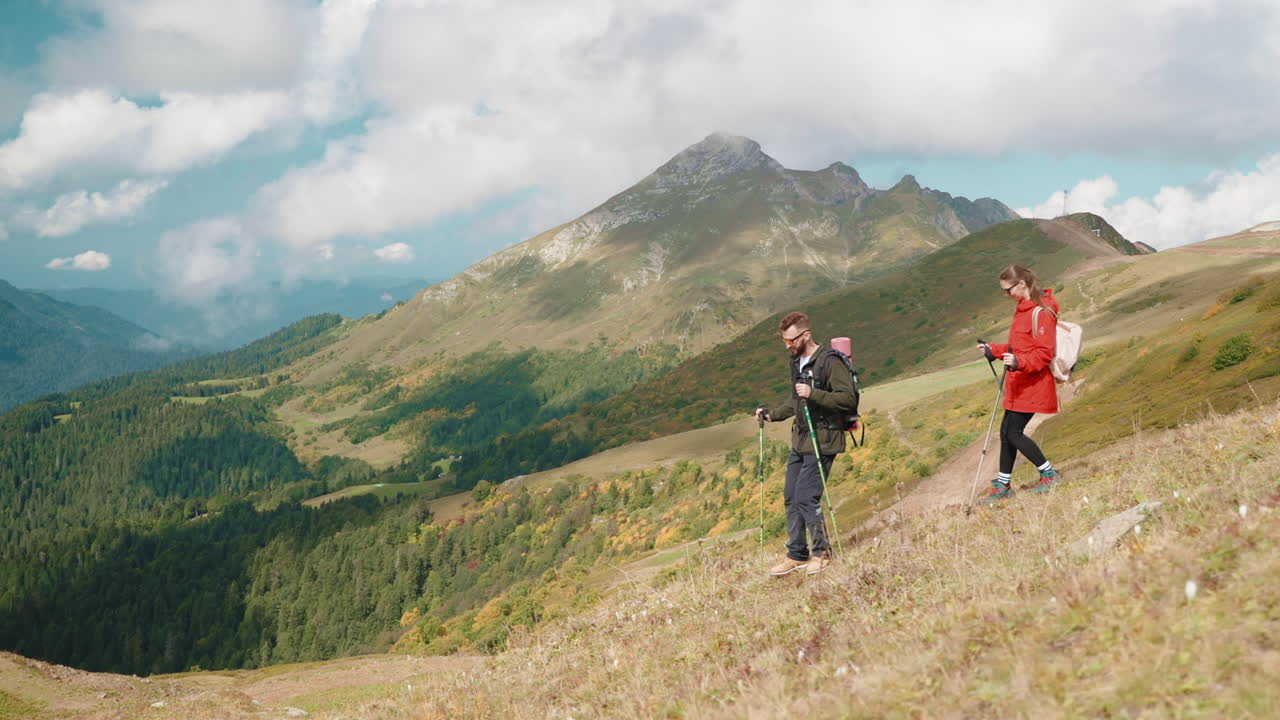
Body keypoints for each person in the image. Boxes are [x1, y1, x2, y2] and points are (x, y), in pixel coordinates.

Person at [754, 312, 858, 575]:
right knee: (791, 496)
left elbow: (848, 399)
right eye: (785, 341)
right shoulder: (796, 362)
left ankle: (822, 554)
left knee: (805, 496)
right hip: (800, 439)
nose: (787, 346)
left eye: (791, 341)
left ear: (806, 335)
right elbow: (796, 399)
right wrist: (772, 414)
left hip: (823, 438)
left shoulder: (830, 361)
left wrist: (814, 393)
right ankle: (797, 554)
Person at [975, 264, 1064, 504]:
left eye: (1008, 290)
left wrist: (1018, 362)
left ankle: (1049, 473)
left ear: (1022, 284)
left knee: (1013, 432)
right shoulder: (1022, 309)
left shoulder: (1041, 312)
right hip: (1018, 383)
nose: (1007, 295)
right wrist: (992, 349)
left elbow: (1044, 354)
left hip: (1033, 384)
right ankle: (1003, 485)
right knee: (1006, 434)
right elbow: (1018, 347)